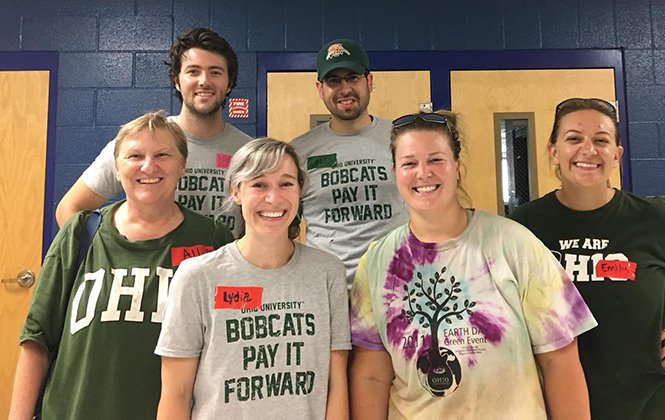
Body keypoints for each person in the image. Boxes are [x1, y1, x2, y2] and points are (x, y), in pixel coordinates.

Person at [349, 111, 597, 419]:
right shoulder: (376, 263)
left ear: (458, 168)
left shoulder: (514, 244)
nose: (423, 173)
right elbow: (372, 375)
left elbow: (560, 361)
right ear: (395, 173)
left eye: (436, 160)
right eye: (409, 163)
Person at [509, 98, 665, 420]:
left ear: (617, 155)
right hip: (562, 407)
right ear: (553, 150)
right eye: (574, 138)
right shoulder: (523, 227)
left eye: (601, 140)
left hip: (658, 406)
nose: (588, 150)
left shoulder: (655, 219)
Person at [8, 112, 234, 420]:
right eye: (135, 156)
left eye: (163, 155)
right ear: (117, 168)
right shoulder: (80, 233)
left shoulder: (213, 239)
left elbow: (227, 348)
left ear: (183, 165)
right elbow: (37, 339)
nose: (148, 166)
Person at [155, 138, 350, 419]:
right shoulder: (197, 276)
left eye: (286, 184)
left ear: (300, 190)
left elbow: (336, 383)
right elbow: (176, 394)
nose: (274, 198)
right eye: (259, 184)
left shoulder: (328, 272)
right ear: (236, 191)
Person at [56, 27, 251, 238]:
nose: (204, 81)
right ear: (177, 81)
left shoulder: (249, 152)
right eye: (193, 71)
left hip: (222, 271)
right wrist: (107, 256)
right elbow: (69, 207)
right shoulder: (140, 143)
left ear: (229, 83)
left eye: (215, 72)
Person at [291, 38, 408, 285]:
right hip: (329, 290)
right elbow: (285, 227)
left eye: (352, 77)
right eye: (334, 81)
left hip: (397, 287)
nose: (345, 88)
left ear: (369, 81)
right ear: (320, 89)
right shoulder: (298, 152)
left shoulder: (402, 138)